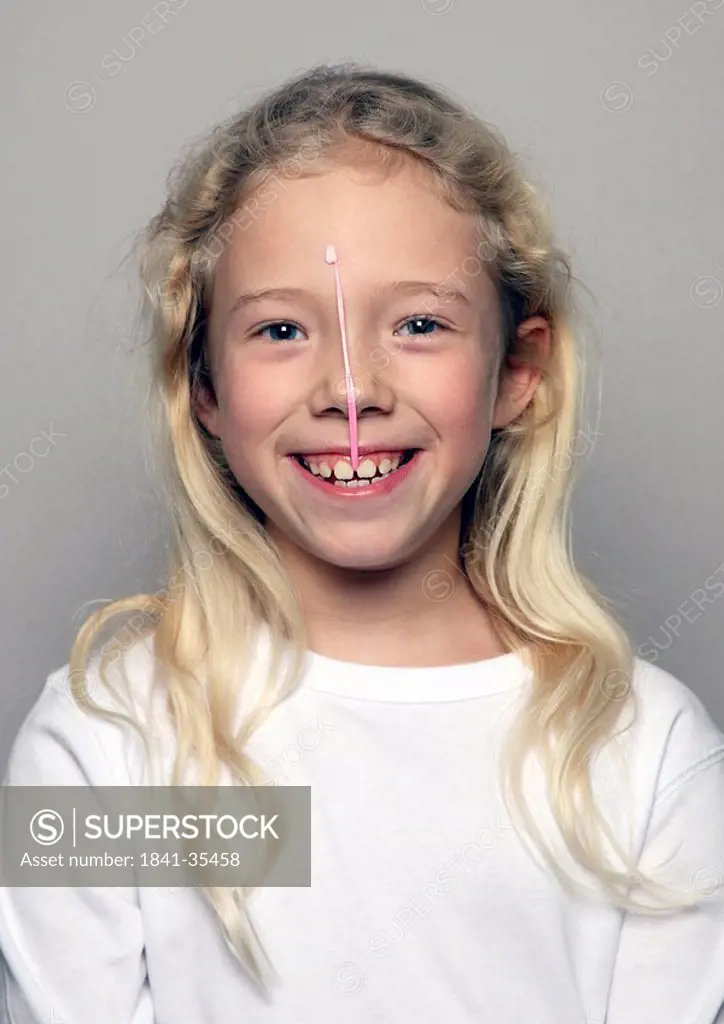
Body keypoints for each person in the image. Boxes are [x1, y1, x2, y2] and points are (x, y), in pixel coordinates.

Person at [1, 61, 723, 1024]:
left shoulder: (650, 753)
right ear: (203, 389)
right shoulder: (102, 740)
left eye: (421, 323)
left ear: (518, 372)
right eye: (281, 329)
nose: (351, 392)